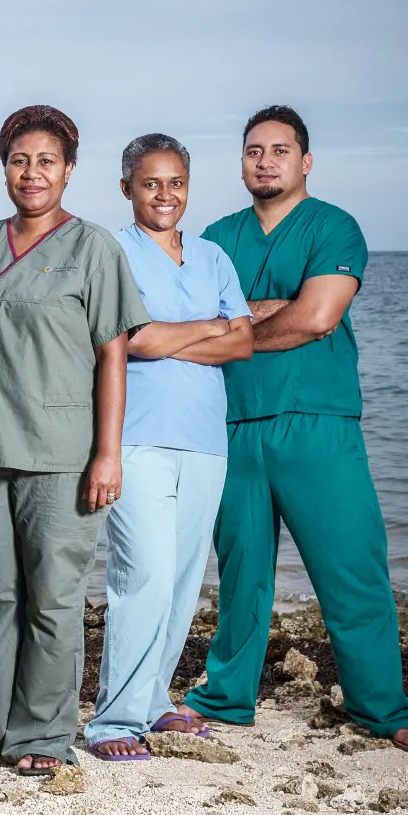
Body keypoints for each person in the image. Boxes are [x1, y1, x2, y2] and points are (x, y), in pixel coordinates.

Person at [178, 105, 408, 753]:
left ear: (305, 161)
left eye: (279, 150)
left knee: (351, 566)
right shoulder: (215, 236)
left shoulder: (333, 226)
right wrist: (272, 310)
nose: (265, 161)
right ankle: (225, 696)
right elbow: (193, 317)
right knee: (241, 577)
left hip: (317, 421)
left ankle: (382, 706)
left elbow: (317, 318)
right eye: (253, 151)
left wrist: (239, 324)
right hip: (232, 422)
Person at [0, 105, 149, 776]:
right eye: (19, 160)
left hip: (63, 454)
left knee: (54, 602)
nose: (31, 173)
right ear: (3, 168)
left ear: (68, 170)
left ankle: (42, 733)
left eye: (45, 161)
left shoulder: (93, 249)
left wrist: (107, 453)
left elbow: (114, 354)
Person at [84, 134, 252, 762]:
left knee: (182, 581)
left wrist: (169, 336)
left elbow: (242, 343)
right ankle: (113, 721)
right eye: (150, 183)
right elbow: (128, 339)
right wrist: (207, 326)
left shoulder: (213, 258)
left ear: (188, 187)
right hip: (136, 438)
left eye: (175, 182)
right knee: (144, 576)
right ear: (126, 187)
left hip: (206, 441)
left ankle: (154, 701)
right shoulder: (112, 252)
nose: (164, 195)